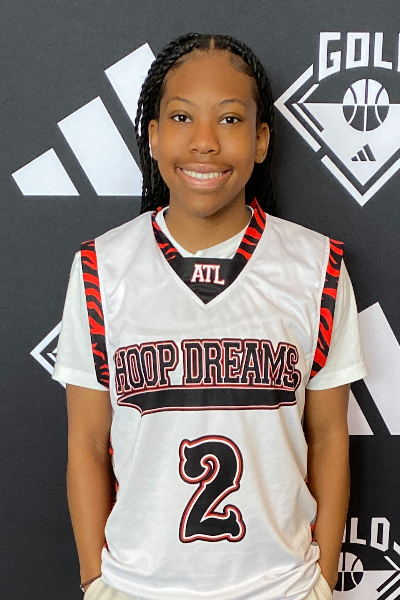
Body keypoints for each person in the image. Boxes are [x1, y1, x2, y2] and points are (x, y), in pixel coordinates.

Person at [53, 33, 367, 600]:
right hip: (138, 586)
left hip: (282, 586)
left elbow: (327, 438)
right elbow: (87, 442)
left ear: (261, 139)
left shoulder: (316, 266)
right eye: (181, 117)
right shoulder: (102, 266)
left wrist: (321, 579)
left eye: (229, 119)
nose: (204, 142)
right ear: (153, 135)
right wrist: (95, 580)